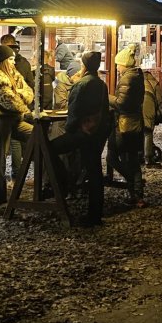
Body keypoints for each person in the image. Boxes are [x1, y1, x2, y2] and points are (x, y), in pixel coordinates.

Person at [49, 51, 110, 227]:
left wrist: (70, 130)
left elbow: (73, 112)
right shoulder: (101, 84)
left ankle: (63, 185)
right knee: (95, 171)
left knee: (50, 149)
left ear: (84, 65)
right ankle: (95, 213)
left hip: (82, 133)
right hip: (96, 132)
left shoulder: (81, 85)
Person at [0, 44, 34, 210]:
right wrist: (21, 98)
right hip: (0, 120)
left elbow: (29, 92)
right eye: (11, 59)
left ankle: (46, 185)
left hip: (15, 120)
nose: (14, 62)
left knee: (36, 136)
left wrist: (19, 95)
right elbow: (10, 101)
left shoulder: (13, 73)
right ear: (4, 60)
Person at [109, 46, 146, 207]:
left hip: (124, 124)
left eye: (118, 64)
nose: (117, 68)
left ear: (124, 64)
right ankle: (136, 195)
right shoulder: (137, 76)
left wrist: (107, 97)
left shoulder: (127, 79)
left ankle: (132, 184)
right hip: (135, 122)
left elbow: (121, 103)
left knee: (112, 157)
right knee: (132, 159)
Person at [142, 68, 161, 167]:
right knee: (147, 131)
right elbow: (159, 100)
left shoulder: (139, 80)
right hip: (148, 102)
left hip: (137, 102)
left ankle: (138, 153)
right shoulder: (154, 82)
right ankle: (148, 158)